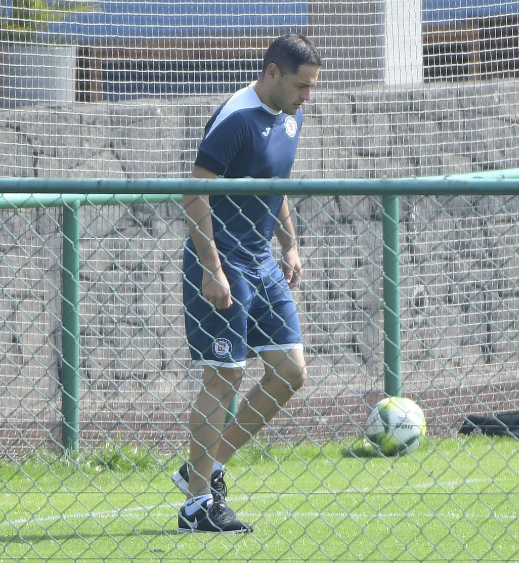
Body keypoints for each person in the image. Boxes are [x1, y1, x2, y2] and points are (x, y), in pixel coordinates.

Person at [172, 34, 321, 534]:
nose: (307, 96)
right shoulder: (237, 118)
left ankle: (204, 467)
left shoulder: (291, 115)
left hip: (262, 260)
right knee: (225, 378)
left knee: (290, 371)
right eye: (301, 86)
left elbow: (270, 181)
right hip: (223, 264)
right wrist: (212, 269)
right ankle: (196, 508)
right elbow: (195, 194)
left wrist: (290, 244)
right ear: (273, 74)